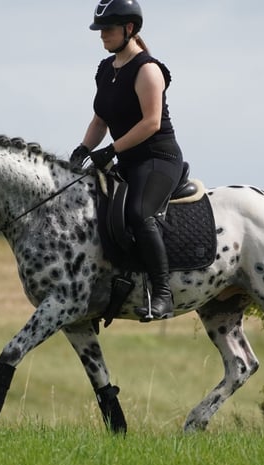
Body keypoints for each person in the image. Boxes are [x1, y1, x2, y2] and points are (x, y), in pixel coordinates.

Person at [70, 0, 184, 322]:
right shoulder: (106, 69)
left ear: (129, 29)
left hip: (158, 158)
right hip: (126, 159)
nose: (102, 35)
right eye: (100, 29)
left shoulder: (148, 70)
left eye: (107, 29)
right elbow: (99, 120)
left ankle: (163, 294)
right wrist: (82, 150)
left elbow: (151, 122)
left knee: (139, 213)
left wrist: (111, 150)